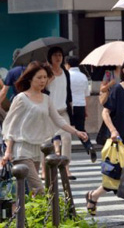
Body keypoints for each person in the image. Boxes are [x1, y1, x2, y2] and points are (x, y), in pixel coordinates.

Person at [1, 61, 88, 195]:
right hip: (21, 149)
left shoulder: (46, 98)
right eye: (39, 77)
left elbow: (58, 119)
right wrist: (8, 151)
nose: (43, 81)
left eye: (45, 77)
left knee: (31, 191)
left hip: (36, 148)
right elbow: (11, 124)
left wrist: (76, 131)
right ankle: (42, 214)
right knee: (39, 189)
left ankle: (27, 214)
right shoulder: (21, 98)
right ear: (30, 79)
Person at [85, 57, 124, 218]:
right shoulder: (118, 89)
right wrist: (113, 131)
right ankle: (95, 195)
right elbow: (105, 112)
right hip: (119, 139)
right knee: (117, 175)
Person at [46, 47, 75, 179]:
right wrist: (48, 81)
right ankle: (45, 170)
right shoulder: (46, 72)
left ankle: (66, 168)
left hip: (63, 111)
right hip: (49, 112)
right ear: (50, 57)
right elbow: (41, 88)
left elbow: (68, 91)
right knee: (46, 142)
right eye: (55, 55)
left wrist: (71, 106)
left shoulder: (65, 72)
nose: (58, 58)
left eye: (60, 55)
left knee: (67, 139)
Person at [64, 56, 97, 163]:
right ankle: (89, 146)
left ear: (68, 64)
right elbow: (86, 94)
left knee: (64, 129)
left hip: (69, 105)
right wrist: (86, 109)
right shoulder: (83, 76)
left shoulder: (66, 76)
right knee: (81, 128)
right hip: (81, 105)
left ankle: (59, 152)